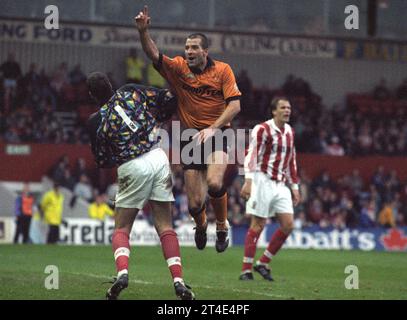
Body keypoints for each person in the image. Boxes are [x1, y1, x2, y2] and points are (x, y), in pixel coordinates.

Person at [135, 6, 242, 252]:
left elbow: (235, 106)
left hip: (218, 134)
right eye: (187, 48)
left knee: (215, 184)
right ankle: (201, 224)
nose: (189, 51)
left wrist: (213, 128)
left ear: (205, 51)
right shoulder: (179, 68)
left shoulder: (223, 70)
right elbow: (155, 55)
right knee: (194, 205)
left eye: (194, 48)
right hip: (190, 138)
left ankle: (223, 226)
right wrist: (143, 32)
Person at [86, 71, 194, 300]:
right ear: (110, 83)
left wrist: (120, 155)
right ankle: (178, 281)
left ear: (92, 96)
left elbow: (101, 160)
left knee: (122, 228)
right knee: (165, 225)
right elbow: (168, 99)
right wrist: (159, 120)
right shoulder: (129, 92)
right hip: (158, 156)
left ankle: (122, 273)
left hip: (131, 165)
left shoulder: (96, 120)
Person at [239, 97, 301, 281]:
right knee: (258, 224)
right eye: (283, 107)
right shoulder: (262, 129)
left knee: (288, 225)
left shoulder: (290, 131)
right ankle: (246, 270)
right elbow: (251, 155)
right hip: (262, 179)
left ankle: (263, 263)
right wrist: (248, 180)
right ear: (274, 111)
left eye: (289, 107)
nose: (287, 110)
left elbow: (292, 160)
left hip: (281, 183)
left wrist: (295, 186)